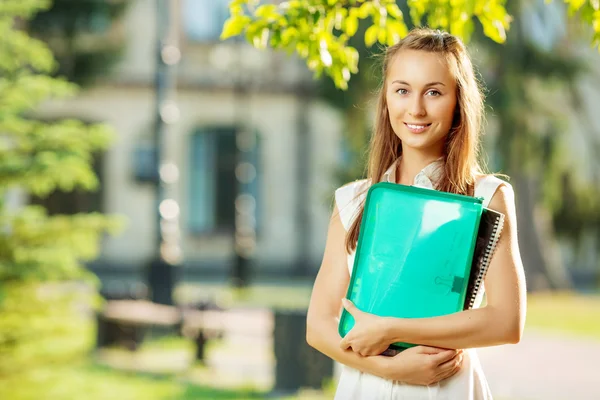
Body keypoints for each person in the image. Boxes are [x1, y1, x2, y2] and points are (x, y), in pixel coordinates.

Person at [306, 27, 527, 399]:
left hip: (447, 387)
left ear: (458, 100)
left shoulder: (488, 196)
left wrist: (392, 329)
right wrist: (389, 366)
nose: (416, 109)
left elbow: (507, 321)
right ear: (386, 99)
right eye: (402, 90)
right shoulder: (353, 200)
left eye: (434, 92)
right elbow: (318, 325)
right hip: (366, 387)